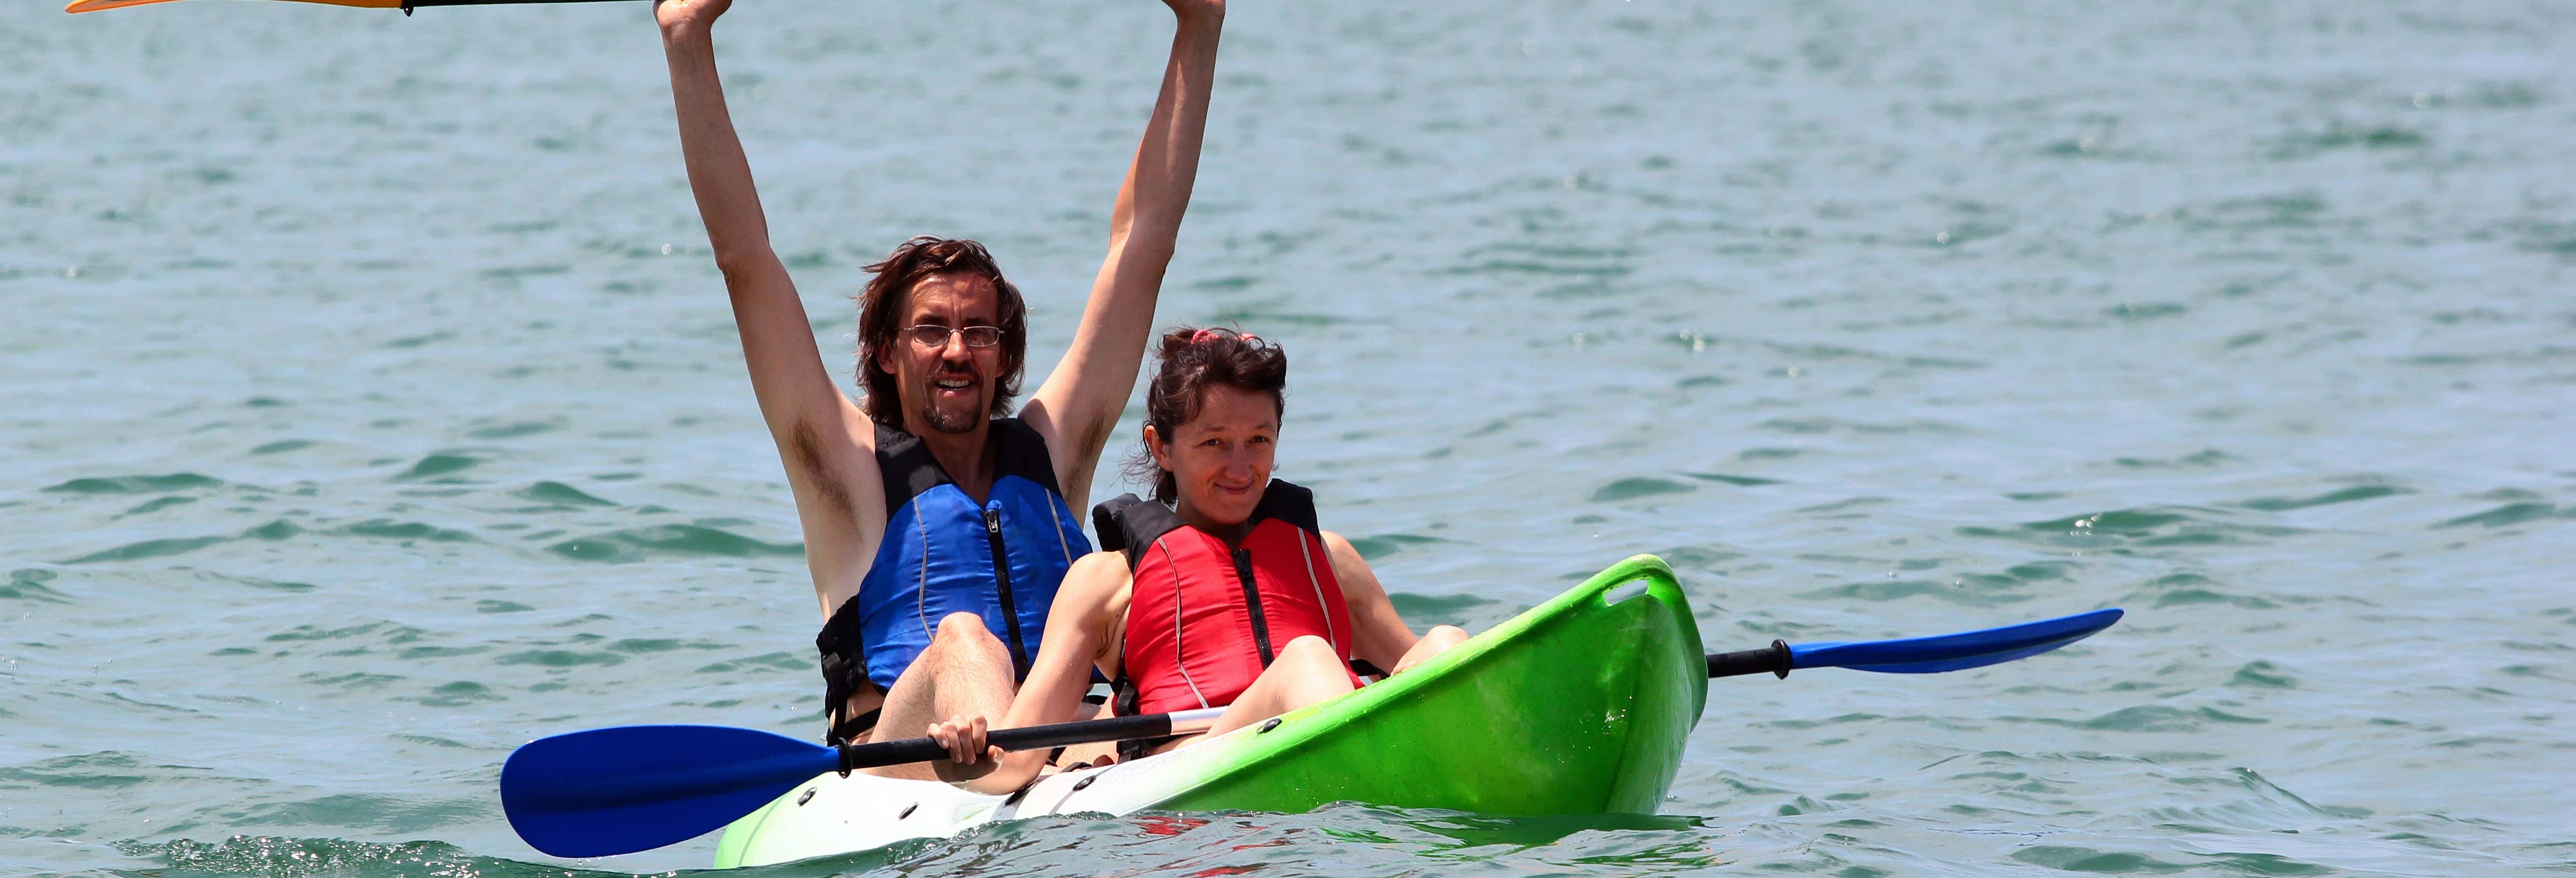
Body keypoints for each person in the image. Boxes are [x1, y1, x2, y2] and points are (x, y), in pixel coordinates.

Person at [650, 0, 1227, 778]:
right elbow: (744, 258)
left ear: (1002, 351)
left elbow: (1144, 241)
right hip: (913, 752)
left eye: (979, 332)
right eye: (931, 331)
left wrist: (1200, 24)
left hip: (1065, 741)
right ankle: (1012, 764)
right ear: (888, 351)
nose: (957, 351)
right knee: (963, 634)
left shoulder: (1050, 452)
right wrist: (687, 40)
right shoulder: (849, 472)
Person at [923, 328, 1471, 793]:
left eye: (1259, 439)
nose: (1240, 466)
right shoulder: (1107, 580)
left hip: (1330, 739)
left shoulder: (1331, 558)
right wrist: (962, 760)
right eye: (1214, 443)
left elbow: (1422, 689)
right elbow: (1018, 756)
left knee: (1447, 642)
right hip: (1198, 776)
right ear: (1161, 446)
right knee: (1307, 658)